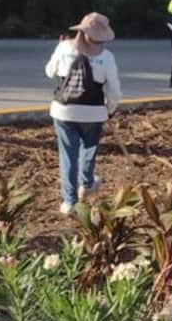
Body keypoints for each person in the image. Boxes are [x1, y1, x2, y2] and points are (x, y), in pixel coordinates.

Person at [45, 13, 123, 215]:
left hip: (64, 110)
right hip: (93, 112)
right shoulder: (106, 57)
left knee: (68, 154)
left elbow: (50, 71)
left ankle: (69, 201)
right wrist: (110, 109)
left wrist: (59, 48)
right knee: (89, 148)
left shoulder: (64, 47)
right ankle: (87, 183)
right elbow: (114, 90)